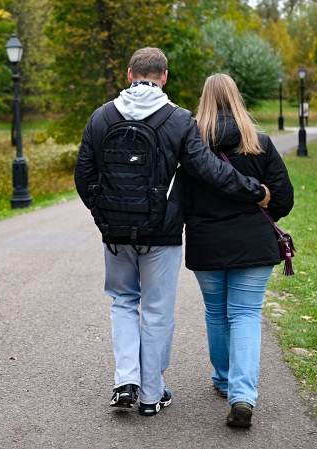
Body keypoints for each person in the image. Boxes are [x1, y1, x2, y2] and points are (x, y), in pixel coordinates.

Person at [74, 48, 271, 416]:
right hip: (161, 235)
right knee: (158, 310)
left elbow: (83, 176)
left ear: (129, 73)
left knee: (122, 302)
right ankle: (150, 395)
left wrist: (105, 215)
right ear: (164, 77)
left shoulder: (101, 117)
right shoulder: (178, 119)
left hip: (115, 235)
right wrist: (254, 191)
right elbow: (208, 169)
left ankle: (124, 382)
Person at [180, 73, 294, 428]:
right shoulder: (259, 142)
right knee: (245, 314)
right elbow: (284, 199)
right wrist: (257, 214)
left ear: (203, 102)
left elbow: (182, 200)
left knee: (216, 313)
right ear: (237, 99)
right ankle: (242, 395)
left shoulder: (192, 147)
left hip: (207, 243)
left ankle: (225, 379)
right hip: (253, 244)